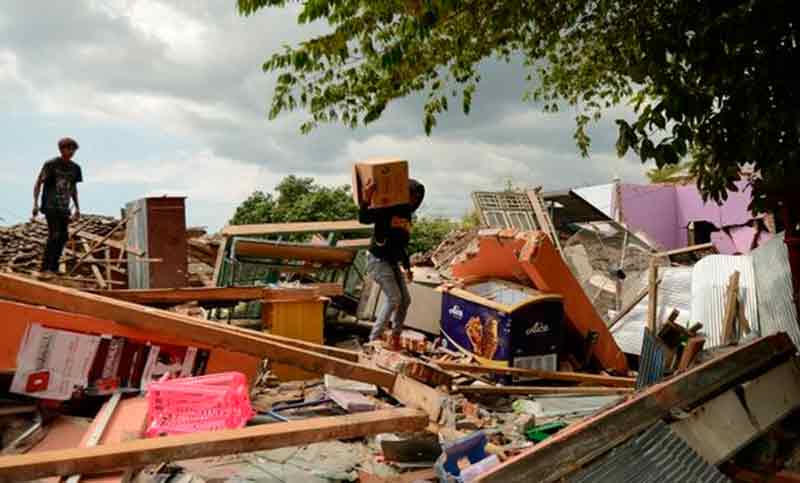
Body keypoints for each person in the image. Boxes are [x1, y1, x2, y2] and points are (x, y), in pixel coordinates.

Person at [358, 178, 425, 350]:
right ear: (404, 194)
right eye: (412, 196)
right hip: (378, 260)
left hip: (392, 261)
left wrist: (407, 268)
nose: (414, 201)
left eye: (417, 198)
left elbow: (401, 244)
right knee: (394, 298)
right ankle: (373, 339)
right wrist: (367, 198)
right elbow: (364, 218)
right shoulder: (387, 209)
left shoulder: (407, 215)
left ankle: (395, 337)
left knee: (405, 300)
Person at [32, 137, 83, 273]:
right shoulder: (51, 164)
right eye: (69, 148)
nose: (71, 152)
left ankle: (53, 267)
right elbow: (38, 183)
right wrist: (35, 204)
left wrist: (77, 208)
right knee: (54, 235)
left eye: (73, 149)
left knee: (63, 236)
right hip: (50, 205)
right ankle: (45, 267)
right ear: (61, 149)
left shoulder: (75, 168)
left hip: (64, 207)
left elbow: (73, 189)